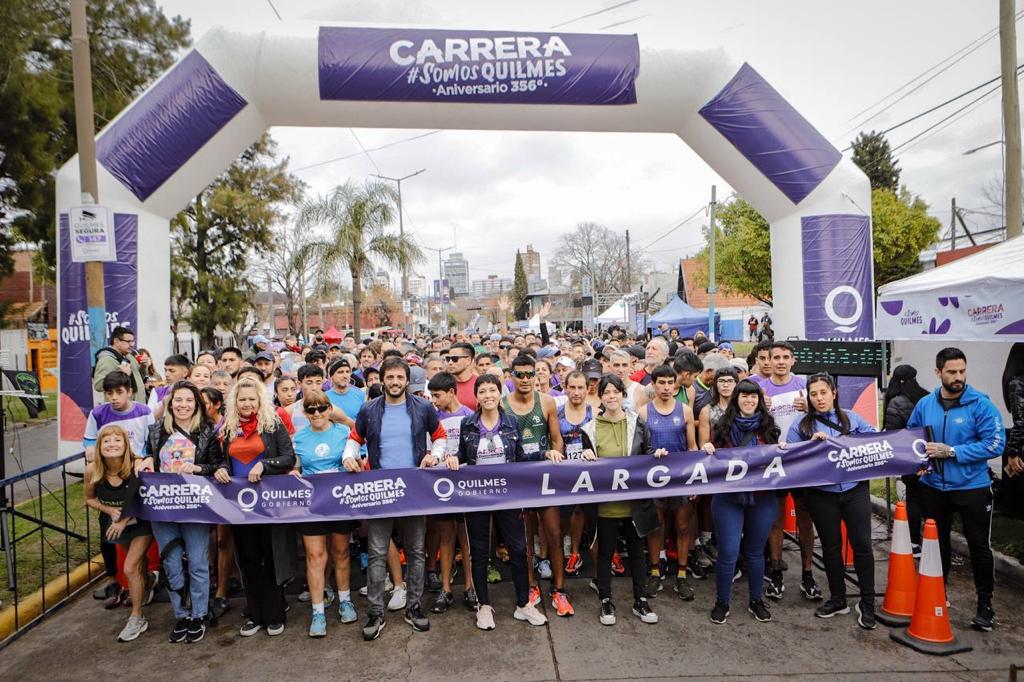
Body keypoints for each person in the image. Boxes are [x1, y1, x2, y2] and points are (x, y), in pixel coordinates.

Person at [343, 357, 448, 641]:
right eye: (389, 377)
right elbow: (354, 439)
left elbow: (440, 437)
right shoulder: (369, 409)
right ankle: (375, 611)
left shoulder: (423, 407)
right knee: (377, 553)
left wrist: (435, 455)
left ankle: (413, 606)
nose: (394, 382)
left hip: (413, 488)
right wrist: (349, 457)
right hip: (380, 490)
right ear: (382, 380)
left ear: (406, 379)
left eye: (399, 377)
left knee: (416, 551)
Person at [907, 347, 1005, 632]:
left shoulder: (981, 405)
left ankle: (985, 604)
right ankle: (938, 596)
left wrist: (951, 451)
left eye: (962, 371)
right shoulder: (925, 404)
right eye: (952, 372)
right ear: (938, 372)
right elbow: (913, 438)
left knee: (979, 547)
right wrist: (919, 463)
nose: (958, 377)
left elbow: (994, 444)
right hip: (934, 487)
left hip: (972, 488)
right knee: (939, 546)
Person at [450, 373, 548, 630]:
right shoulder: (468, 424)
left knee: (518, 549)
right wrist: (452, 459)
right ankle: (484, 606)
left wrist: (545, 453)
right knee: (480, 552)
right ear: (477, 397)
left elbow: (520, 456)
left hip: (508, 495)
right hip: (477, 497)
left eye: (492, 390)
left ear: (499, 393)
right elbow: (462, 454)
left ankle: (523, 604)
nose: (488, 396)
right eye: (482, 391)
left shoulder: (512, 422)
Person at [787, 373, 878, 629]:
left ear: (834, 393)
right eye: (813, 394)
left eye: (823, 392)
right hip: (821, 494)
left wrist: (841, 442)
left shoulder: (852, 418)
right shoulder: (801, 426)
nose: (819, 398)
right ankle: (838, 598)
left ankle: (867, 602)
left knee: (862, 545)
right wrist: (811, 447)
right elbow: (792, 458)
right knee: (830, 547)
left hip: (854, 489)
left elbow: (875, 442)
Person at [137, 381, 221, 643]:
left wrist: (198, 469)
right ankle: (181, 614)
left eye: (189, 400)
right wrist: (145, 460)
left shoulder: (206, 433)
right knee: (171, 562)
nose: (183, 405)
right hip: (164, 508)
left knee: (197, 562)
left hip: (195, 507)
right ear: (170, 403)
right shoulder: (155, 432)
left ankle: (199, 614)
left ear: (196, 404)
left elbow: (218, 466)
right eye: (178, 400)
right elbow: (144, 458)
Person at [214, 378, 297, 638]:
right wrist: (222, 469)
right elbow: (218, 459)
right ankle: (254, 613)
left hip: (269, 504)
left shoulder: (273, 425)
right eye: (242, 399)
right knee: (248, 559)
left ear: (259, 400)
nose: (247, 403)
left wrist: (266, 465)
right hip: (239, 506)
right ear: (234, 402)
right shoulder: (226, 429)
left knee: (271, 557)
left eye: (251, 398)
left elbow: (288, 457)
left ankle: (274, 614)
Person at [579, 374, 661, 626]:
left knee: (637, 553)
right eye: (607, 392)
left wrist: (657, 454)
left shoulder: (638, 423)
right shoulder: (590, 429)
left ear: (623, 395)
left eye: (616, 391)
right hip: (605, 506)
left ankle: (641, 599)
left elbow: (647, 453)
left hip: (634, 503)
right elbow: (585, 465)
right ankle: (606, 599)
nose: (612, 396)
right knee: (605, 553)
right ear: (600, 397)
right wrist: (585, 454)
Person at [702, 379, 780, 625]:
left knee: (756, 552)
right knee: (728, 551)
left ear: (759, 401)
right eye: (744, 396)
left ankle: (756, 600)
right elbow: (710, 458)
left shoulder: (770, 429)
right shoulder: (722, 427)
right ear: (736, 399)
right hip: (729, 498)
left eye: (753, 397)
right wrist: (707, 448)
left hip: (762, 499)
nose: (749, 400)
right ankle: (722, 602)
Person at [503, 354, 571, 616]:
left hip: (544, 477)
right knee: (525, 538)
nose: (524, 379)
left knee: (553, 534)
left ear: (536, 376)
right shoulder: (502, 405)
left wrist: (556, 456)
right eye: (519, 375)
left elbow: (557, 440)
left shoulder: (547, 402)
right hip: (517, 480)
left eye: (529, 374)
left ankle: (559, 589)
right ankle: (531, 586)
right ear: (511, 376)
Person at [751, 341, 819, 602]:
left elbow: (827, 411)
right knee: (775, 519)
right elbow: (748, 422)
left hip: (802, 460)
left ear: (793, 360)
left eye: (784, 357)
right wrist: (761, 409)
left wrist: (810, 407)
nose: (779, 361)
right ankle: (777, 571)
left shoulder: (805, 386)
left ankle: (808, 574)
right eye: (774, 357)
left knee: (805, 519)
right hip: (773, 461)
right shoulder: (760, 388)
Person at [291, 390, 358, 637]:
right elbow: (296, 467)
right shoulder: (298, 438)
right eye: (311, 409)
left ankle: (345, 601)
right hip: (312, 504)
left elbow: (357, 460)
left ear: (330, 409)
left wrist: (353, 464)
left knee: (341, 552)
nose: (316, 413)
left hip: (340, 501)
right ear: (305, 413)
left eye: (321, 408)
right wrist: (292, 472)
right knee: (315, 556)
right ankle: (318, 612)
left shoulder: (343, 433)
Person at [84, 425, 154, 642]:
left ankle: (137, 617)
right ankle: (148, 580)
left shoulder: (136, 465)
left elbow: (143, 497)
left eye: (117, 440)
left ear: (126, 444)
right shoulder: (92, 470)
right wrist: (108, 510)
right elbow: (89, 499)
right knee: (138, 568)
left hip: (140, 522)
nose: (112, 445)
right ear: (99, 446)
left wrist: (123, 519)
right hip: (113, 524)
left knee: (129, 567)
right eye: (106, 441)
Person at [639, 364, 698, 601]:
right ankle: (655, 571)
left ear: (675, 385)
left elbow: (692, 446)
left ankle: (682, 576)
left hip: (681, 477)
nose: (665, 387)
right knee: (656, 527)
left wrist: (696, 481)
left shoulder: (685, 410)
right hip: (654, 479)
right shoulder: (644, 412)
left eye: (669, 383)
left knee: (683, 527)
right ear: (653, 385)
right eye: (660, 383)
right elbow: (640, 450)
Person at [425, 371, 476, 613]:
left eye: (437, 395)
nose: (434, 400)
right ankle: (445, 589)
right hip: (441, 486)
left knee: (466, 539)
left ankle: (470, 587)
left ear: (451, 392)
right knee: (446, 538)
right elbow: (430, 448)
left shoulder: (469, 415)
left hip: (465, 485)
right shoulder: (433, 418)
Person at [883, 364, 931, 552]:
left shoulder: (895, 402)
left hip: (909, 457)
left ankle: (914, 542)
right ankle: (932, 540)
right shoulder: (927, 397)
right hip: (929, 454)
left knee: (913, 499)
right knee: (930, 499)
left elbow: (893, 434)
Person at [556, 370, 593, 575]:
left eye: (581, 387)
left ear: (588, 389)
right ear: (566, 388)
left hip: (589, 472)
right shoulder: (558, 412)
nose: (576, 392)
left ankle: (575, 552)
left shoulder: (594, 412)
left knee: (582, 512)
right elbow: (555, 441)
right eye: (572, 387)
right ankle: (562, 551)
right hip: (565, 471)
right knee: (563, 513)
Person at [92, 326, 146, 405]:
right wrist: (120, 375)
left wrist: (143, 367)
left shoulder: (129, 356)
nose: (132, 345)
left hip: (136, 408)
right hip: (120, 411)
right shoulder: (106, 359)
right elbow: (98, 385)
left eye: (132, 341)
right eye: (128, 341)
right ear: (116, 341)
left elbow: (139, 378)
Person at [446, 342, 479, 411]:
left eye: (455, 359)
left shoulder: (481, 383)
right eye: (448, 359)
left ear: (468, 360)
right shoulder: (444, 385)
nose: (450, 362)